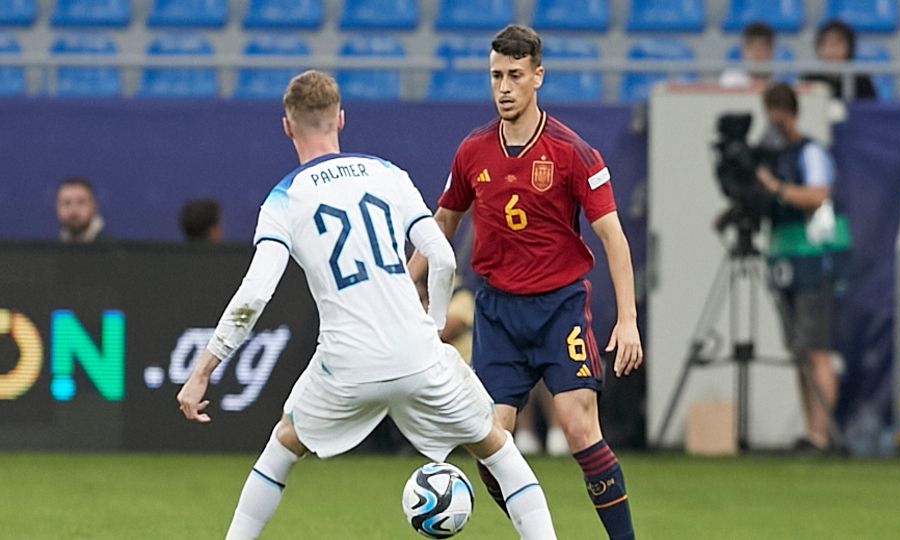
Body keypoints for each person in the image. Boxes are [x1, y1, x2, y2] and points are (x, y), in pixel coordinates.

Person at [176, 70, 557, 540]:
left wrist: (202, 372)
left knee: (282, 449)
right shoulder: (387, 173)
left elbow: (254, 295)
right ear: (340, 118)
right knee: (498, 452)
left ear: (287, 127)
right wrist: (430, 325)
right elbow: (439, 255)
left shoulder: (283, 199)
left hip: (346, 363)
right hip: (418, 353)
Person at [410, 24, 642, 540]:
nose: (504, 87)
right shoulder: (472, 152)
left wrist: (627, 320)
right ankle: (535, 528)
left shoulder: (573, 153)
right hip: (497, 311)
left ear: (538, 76)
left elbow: (614, 239)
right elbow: (442, 223)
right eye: (496, 76)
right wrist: (408, 284)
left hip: (559, 306)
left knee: (580, 428)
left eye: (515, 75)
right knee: (490, 441)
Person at [755, 83, 851, 453]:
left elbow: (817, 194)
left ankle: (821, 433)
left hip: (815, 256)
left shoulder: (810, 152)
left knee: (816, 348)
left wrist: (775, 188)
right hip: (786, 258)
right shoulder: (775, 156)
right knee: (799, 349)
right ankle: (811, 431)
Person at [802, 20, 876, 100]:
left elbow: (870, 109)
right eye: (825, 44)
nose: (830, 51)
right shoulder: (809, 79)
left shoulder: (862, 81)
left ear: (849, 48)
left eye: (836, 44)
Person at [720, 21, 776, 88]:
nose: (757, 54)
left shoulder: (780, 82)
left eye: (761, 49)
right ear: (744, 51)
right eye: (752, 49)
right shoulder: (731, 81)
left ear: (771, 51)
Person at [56, 176, 109, 242]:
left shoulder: (114, 249)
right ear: (57, 207)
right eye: (67, 203)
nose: (73, 210)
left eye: (81, 202)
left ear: (94, 206)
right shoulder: (50, 249)